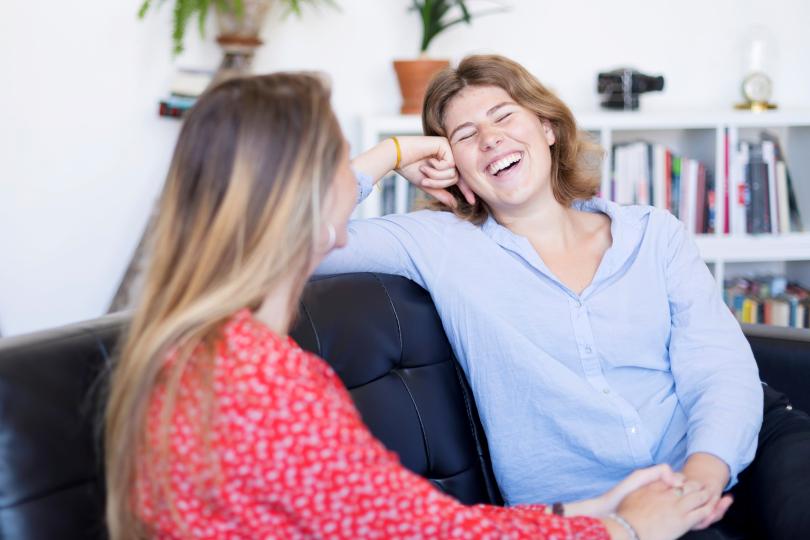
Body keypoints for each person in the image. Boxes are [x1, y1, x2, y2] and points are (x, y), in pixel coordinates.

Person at [104, 73, 722, 540]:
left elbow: (413, 519)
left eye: (505, 116)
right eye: (340, 159)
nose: (355, 173)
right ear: (305, 200)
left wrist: (601, 510)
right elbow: (428, 531)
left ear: (548, 127)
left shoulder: (213, 356)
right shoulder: (264, 382)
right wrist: (624, 529)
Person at [318, 55, 810, 539]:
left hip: (735, 447)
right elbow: (290, 243)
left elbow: (718, 367)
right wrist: (394, 153)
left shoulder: (652, 233)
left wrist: (701, 476)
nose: (490, 138)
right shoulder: (435, 243)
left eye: (504, 115)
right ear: (451, 167)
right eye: (465, 136)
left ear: (548, 128)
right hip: (601, 509)